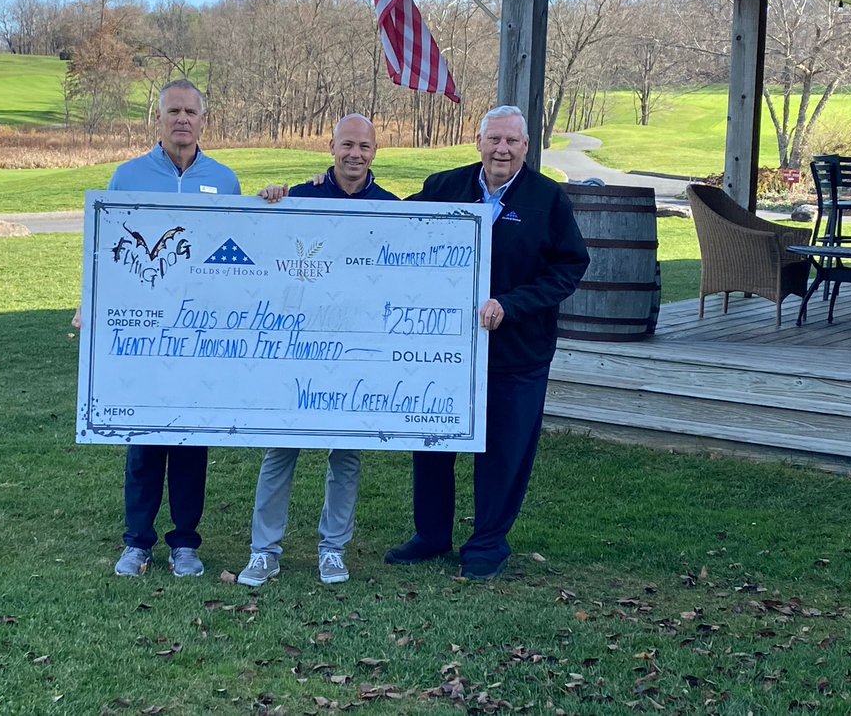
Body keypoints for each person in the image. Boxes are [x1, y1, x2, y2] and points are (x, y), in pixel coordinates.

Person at [383, 105, 589, 581]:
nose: (502, 149)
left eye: (512, 142)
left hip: (518, 351)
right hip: (444, 349)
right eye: (494, 139)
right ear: (478, 142)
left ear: (526, 147)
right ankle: (431, 535)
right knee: (433, 442)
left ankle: (488, 543)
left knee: (504, 448)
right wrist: (313, 194)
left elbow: (569, 268)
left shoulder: (547, 199)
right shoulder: (443, 188)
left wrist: (511, 304)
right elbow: (388, 223)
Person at [238, 114, 398, 587]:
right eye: (347, 144)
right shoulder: (300, 198)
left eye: (364, 147)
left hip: (356, 353)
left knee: (346, 454)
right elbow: (263, 256)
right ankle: (263, 550)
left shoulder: (392, 208)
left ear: (375, 152)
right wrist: (270, 199)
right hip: (297, 349)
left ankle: (333, 549)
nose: (355, 154)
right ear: (330, 146)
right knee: (281, 450)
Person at [100, 78, 241, 579]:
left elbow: (238, 255)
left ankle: (185, 543)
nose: (182, 119)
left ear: (204, 120)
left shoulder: (225, 180)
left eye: (190, 112)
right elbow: (107, 251)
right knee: (144, 444)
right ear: (157, 120)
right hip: (143, 333)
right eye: (173, 112)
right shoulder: (128, 176)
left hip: (198, 336)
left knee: (188, 443)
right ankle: (137, 542)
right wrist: (90, 304)